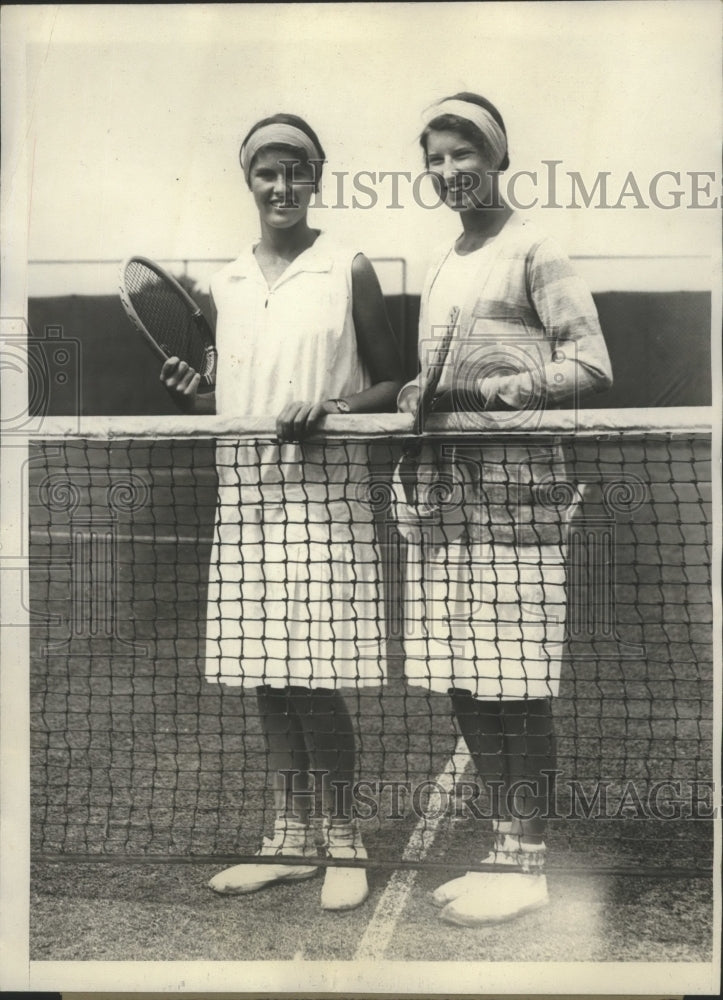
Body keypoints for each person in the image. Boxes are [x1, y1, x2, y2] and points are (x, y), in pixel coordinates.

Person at [162, 113, 403, 911]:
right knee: (267, 675)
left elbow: (391, 385)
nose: (282, 187)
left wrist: (330, 407)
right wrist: (197, 395)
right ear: (249, 181)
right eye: (268, 173)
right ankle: (289, 837)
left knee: (316, 675)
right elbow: (225, 395)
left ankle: (343, 839)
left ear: (317, 176)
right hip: (248, 510)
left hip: (324, 506)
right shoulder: (226, 282)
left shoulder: (348, 267)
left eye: (296, 171)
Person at [396, 93, 612, 926]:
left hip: (517, 509)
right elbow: (432, 380)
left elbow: (589, 365)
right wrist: (423, 391)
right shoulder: (444, 260)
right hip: (448, 513)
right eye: (436, 160)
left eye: (463, 155)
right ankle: (502, 846)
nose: (449, 172)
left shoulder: (536, 249)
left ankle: (529, 862)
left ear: (495, 157)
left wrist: (484, 391)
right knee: (463, 682)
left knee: (515, 685)